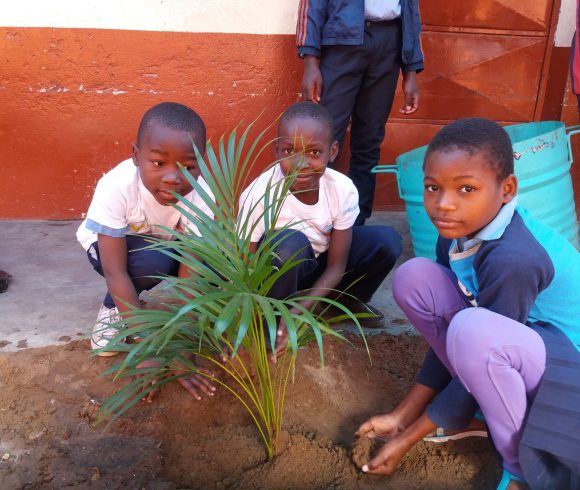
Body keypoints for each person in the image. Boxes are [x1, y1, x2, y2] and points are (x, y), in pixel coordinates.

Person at [356, 118, 580, 489]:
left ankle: (521, 469)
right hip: (527, 346)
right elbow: (457, 337)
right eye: (433, 187)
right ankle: (478, 412)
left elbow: (478, 341)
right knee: (416, 277)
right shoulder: (460, 232)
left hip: (568, 372)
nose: (444, 204)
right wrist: (403, 415)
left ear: (507, 189)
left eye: (466, 188)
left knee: (473, 328)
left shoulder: (514, 259)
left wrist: (407, 438)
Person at [76, 101, 216, 400]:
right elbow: (115, 270)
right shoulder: (116, 186)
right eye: (158, 163)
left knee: (213, 263)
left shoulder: (202, 193)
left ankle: (164, 314)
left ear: (201, 163)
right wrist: (149, 347)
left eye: (188, 167)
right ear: (136, 155)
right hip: (114, 248)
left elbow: (192, 271)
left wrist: (182, 347)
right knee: (151, 260)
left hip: (165, 241)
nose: (173, 178)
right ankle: (114, 308)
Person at [239, 101, 402, 351]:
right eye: (289, 151)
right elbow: (247, 267)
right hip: (279, 275)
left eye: (314, 152)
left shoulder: (341, 188)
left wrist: (302, 309)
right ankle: (274, 321)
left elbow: (337, 265)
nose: (301, 163)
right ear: (276, 151)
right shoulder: (259, 195)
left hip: (322, 266)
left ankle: (346, 302)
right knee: (289, 243)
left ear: (332, 151)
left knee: (386, 241)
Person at [297, 0, 423, 225]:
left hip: (389, 43)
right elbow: (312, 4)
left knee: (369, 139)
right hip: (341, 43)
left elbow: (411, 9)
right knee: (322, 137)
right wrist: (310, 61)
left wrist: (411, 70)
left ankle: (356, 222)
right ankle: (312, 223)